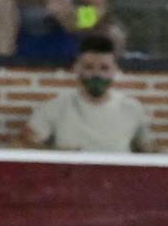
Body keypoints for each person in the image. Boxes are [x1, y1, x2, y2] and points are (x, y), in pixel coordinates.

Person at [23, 34, 151, 153]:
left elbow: (149, 149)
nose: (97, 74)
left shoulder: (132, 108)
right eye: (89, 67)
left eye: (104, 68)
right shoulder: (55, 107)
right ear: (76, 69)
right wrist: (59, 153)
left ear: (115, 70)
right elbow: (25, 144)